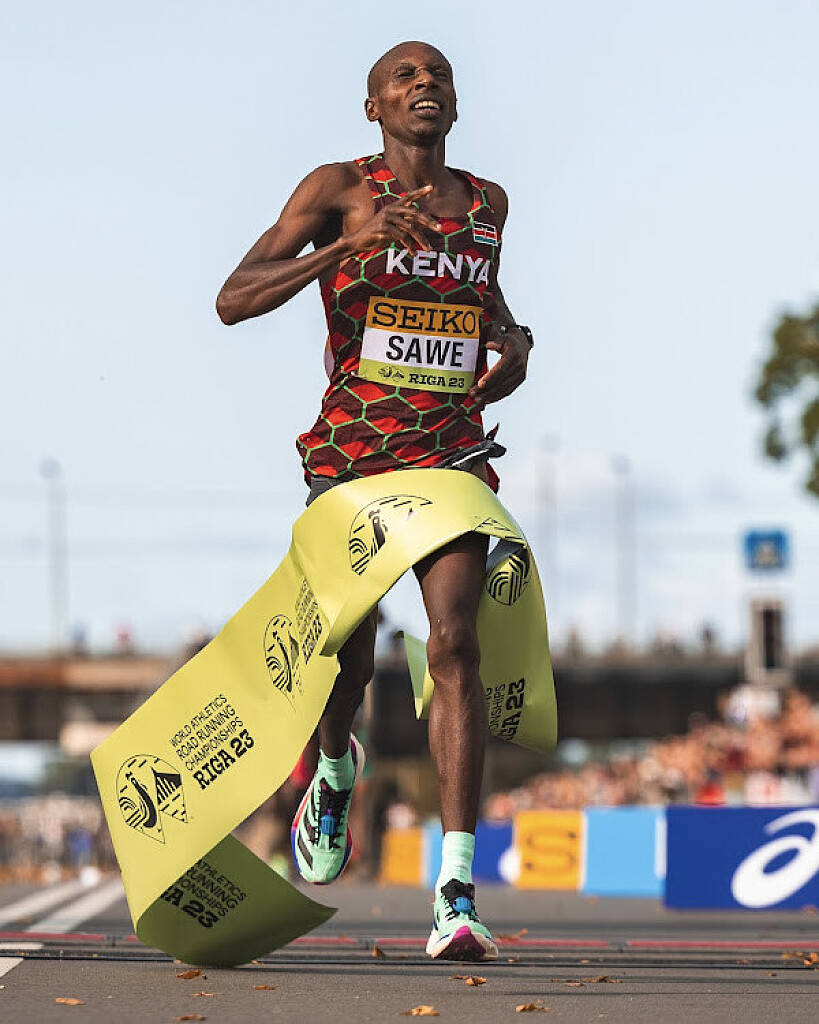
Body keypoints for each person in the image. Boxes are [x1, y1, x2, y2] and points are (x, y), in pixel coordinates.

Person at [216, 40, 533, 962]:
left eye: (438, 75)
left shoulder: (486, 204)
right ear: (374, 108)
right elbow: (232, 299)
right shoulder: (338, 190)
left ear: (455, 106)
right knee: (346, 653)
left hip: (450, 453)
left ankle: (456, 894)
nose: (424, 83)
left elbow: (479, 298)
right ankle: (333, 764)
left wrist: (513, 340)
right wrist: (344, 248)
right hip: (352, 456)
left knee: (454, 642)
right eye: (404, 76)